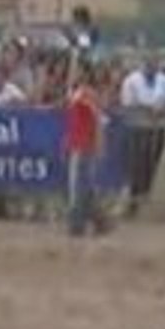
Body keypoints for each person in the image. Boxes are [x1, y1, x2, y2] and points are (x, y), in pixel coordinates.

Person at [119, 50, 165, 216]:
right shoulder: (131, 80)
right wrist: (147, 110)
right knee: (136, 165)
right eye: (148, 62)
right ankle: (132, 199)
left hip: (158, 127)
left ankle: (145, 197)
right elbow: (127, 104)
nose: (152, 65)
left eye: (154, 62)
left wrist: (162, 111)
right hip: (137, 127)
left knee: (152, 164)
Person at [64, 60, 111, 236]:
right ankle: (99, 220)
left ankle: (78, 222)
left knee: (79, 185)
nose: (75, 74)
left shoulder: (87, 94)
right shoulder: (78, 92)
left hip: (84, 144)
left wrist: (99, 142)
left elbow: (97, 118)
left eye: (78, 71)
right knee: (84, 185)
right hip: (77, 141)